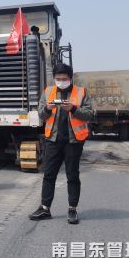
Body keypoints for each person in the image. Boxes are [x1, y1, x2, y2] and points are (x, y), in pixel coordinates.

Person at [29, 63, 93, 224]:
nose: (61, 81)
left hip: (73, 141)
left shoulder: (81, 92)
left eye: (64, 79)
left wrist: (73, 108)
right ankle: (45, 209)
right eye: (58, 79)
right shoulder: (48, 91)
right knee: (48, 174)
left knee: (72, 175)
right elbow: (41, 114)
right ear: (54, 78)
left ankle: (72, 209)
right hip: (53, 140)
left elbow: (89, 114)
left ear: (70, 78)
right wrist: (48, 108)